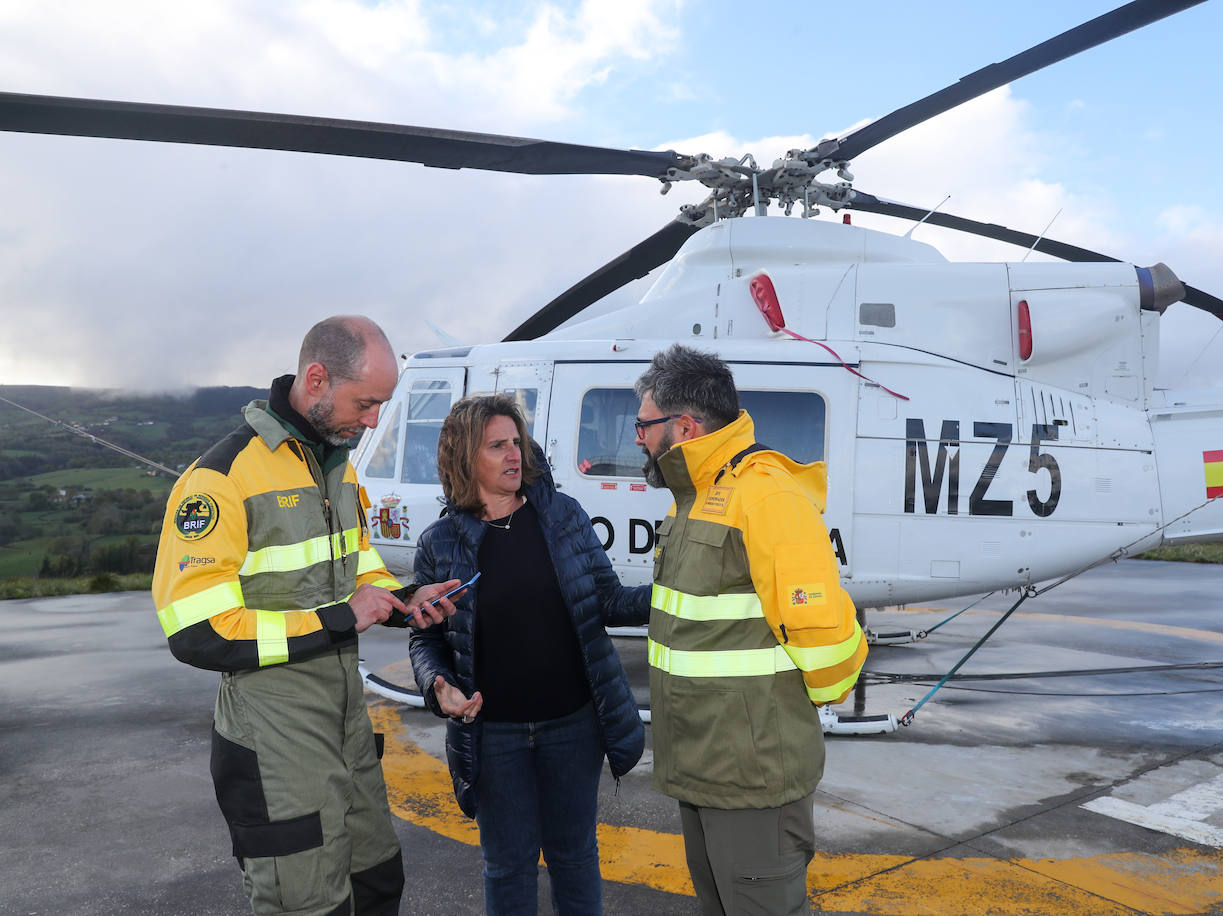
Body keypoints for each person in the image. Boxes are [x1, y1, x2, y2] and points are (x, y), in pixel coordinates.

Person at [152, 315, 463, 916]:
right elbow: (197, 632)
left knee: (377, 883)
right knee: (306, 904)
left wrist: (404, 601)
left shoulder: (337, 468)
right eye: (366, 403)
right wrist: (337, 620)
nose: (374, 420)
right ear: (316, 379)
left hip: (344, 722)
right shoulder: (220, 479)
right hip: (274, 738)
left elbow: (359, 565)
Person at [634, 344, 868, 916]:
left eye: (644, 423)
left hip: (751, 774)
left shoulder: (766, 496)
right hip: (701, 767)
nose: (638, 436)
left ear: (683, 426)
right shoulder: (690, 501)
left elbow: (826, 645)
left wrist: (777, 724)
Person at [408, 394, 649, 916]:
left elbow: (608, 599)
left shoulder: (562, 517)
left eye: (516, 442)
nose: (514, 454)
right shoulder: (440, 542)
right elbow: (425, 638)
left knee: (575, 857)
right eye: (498, 446)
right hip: (493, 735)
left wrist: (672, 592)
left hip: (572, 726)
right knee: (508, 865)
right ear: (465, 456)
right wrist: (437, 686)